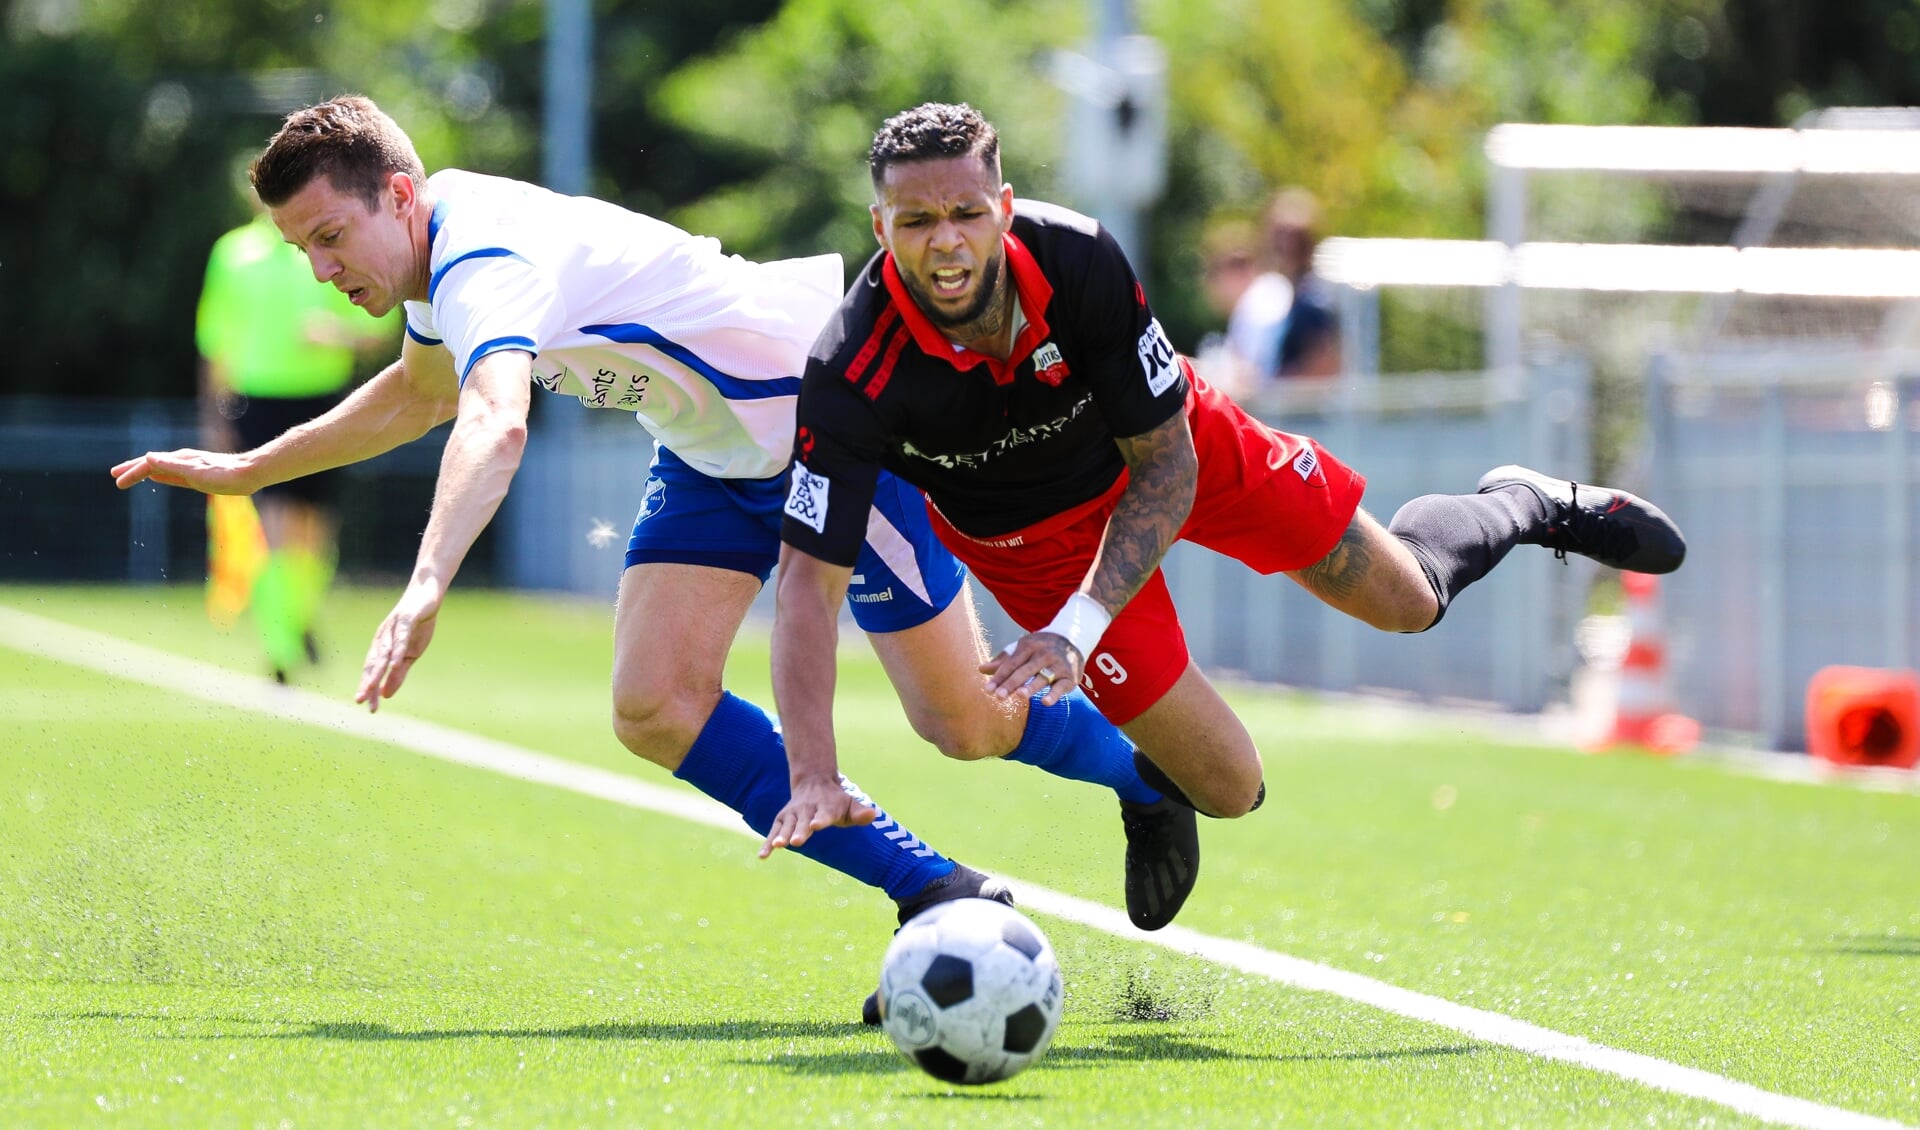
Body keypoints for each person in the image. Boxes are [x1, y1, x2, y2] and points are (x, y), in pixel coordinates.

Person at [110, 97, 1203, 1006]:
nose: (318, 268)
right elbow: (423, 392)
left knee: (963, 718)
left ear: (400, 195)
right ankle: (942, 892)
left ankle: (1144, 771)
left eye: (330, 238)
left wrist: (428, 580)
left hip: (821, 421)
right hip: (711, 451)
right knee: (654, 703)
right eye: (303, 248)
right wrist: (249, 471)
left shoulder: (484, 258)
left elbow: (493, 418)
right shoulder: (442, 263)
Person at [762, 103, 1685, 861]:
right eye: (917, 222)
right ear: (881, 229)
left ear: (1003, 206)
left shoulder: (1079, 258)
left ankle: (1523, 502)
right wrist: (812, 773)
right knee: (1231, 788)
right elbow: (808, 587)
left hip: (1176, 453)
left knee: (1408, 602)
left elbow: (1166, 465)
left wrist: (1079, 630)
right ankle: (1148, 789)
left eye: (966, 213)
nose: (947, 243)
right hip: (1030, 542)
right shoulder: (850, 368)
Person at [195, 198, 394, 681]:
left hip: (326, 398)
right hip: (259, 399)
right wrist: (214, 415)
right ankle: (281, 649)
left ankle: (299, 617)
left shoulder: (326, 250)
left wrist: (338, 334)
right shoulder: (234, 253)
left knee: (317, 530)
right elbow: (214, 338)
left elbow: (381, 328)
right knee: (280, 525)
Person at [1257, 186, 1342, 381]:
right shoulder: (1288, 293)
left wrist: (1269, 387)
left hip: (1308, 410)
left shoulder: (1313, 300)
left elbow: (1324, 364)